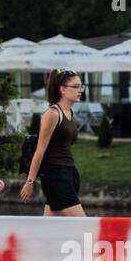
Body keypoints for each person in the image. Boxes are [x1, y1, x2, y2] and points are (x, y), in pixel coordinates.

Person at [20, 69, 86, 216]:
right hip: (56, 175)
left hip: (69, 172)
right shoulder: (52, 114)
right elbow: (40, 150)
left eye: (81, 86)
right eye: (75, 87)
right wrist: (30, 182)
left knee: (50, 227)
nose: (80, 90)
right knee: (84, 225)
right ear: (62, 89)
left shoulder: (70, 112)